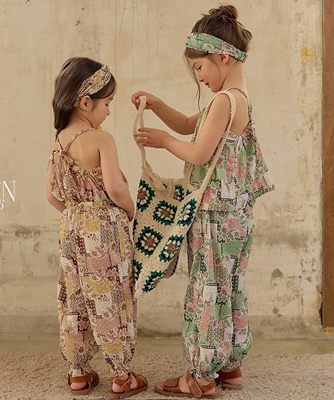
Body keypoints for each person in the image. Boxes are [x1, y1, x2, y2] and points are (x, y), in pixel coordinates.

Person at [132, 5, 274, 399]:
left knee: (206, 288)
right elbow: (187, 125)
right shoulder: (238, 99)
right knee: (228, 286)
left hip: (213, 215)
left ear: (222, 57)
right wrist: (157, 105)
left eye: (199, 67)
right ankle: (229, 365)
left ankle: (201, 375)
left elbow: (197, 152)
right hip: (236, 216)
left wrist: (163, 141)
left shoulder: (224, 101)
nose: (199, 76)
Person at [47, 57, 148, 398]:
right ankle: (120, 375)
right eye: (107, 103)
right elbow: (115, 188)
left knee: (75, 297)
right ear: (86, 102)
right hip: (104, 231)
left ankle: (78, 372)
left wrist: (75, 213)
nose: (108, 111)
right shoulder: (101, 140)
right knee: (110, 298)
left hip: (71, 230)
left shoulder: (59, 141)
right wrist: (129, 210)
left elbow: (50, 194)